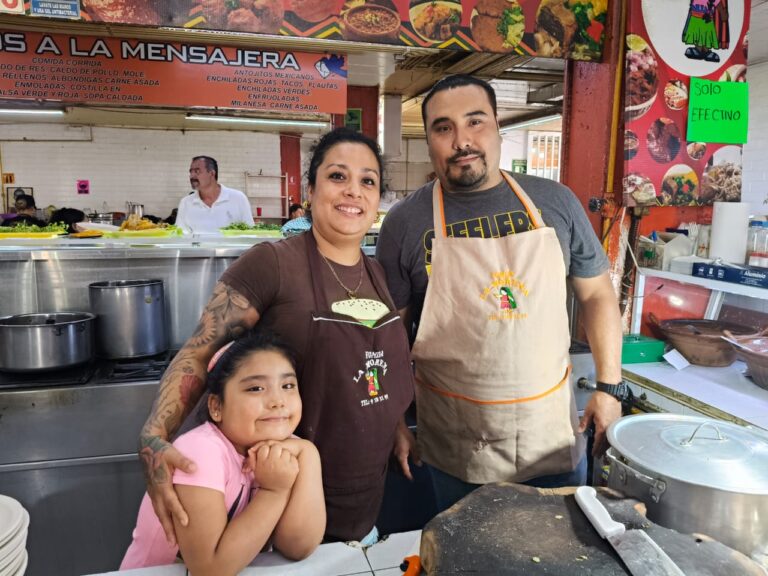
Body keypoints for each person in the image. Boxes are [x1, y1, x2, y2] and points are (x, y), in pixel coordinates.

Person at [139, 127, 415, 546]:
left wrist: (394, 422)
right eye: (337, 177)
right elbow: (198, 353)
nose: (353, 191)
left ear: (378, 200)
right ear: (310, 190)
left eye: (368, 181)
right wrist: (154, 437)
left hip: (363, 497)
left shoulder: (377, 274)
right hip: (279, 506)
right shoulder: (272, 264)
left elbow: (373, 365)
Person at [376, 75, 624, 512]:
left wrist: (609, 386)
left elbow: (598, 295)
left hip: (548, 432)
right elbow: (387, 333)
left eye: (476, 122)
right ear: (430, 138)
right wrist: (393, 418)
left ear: (497, 127)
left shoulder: (556, 203)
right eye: (443, 127)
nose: (462, 141)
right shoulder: (405, 222)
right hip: (457, 442)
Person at [122, 330, 324, 572]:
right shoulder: (199, 450)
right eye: (256, 389)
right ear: (216, 407)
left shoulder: (288, 447)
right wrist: (274, 491)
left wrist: (309, 454)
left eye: (288, 385)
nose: (278, 400)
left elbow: (298, 546)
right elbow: (209, 569)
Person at [175, 156, 255, 234]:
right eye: (190, 172)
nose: (191, 176)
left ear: (212, 173)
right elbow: (180, 236)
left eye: (197, 171)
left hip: (233, 248)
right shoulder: (186, 203)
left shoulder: (238, 198)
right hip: (197, 247)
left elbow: (250, 233)